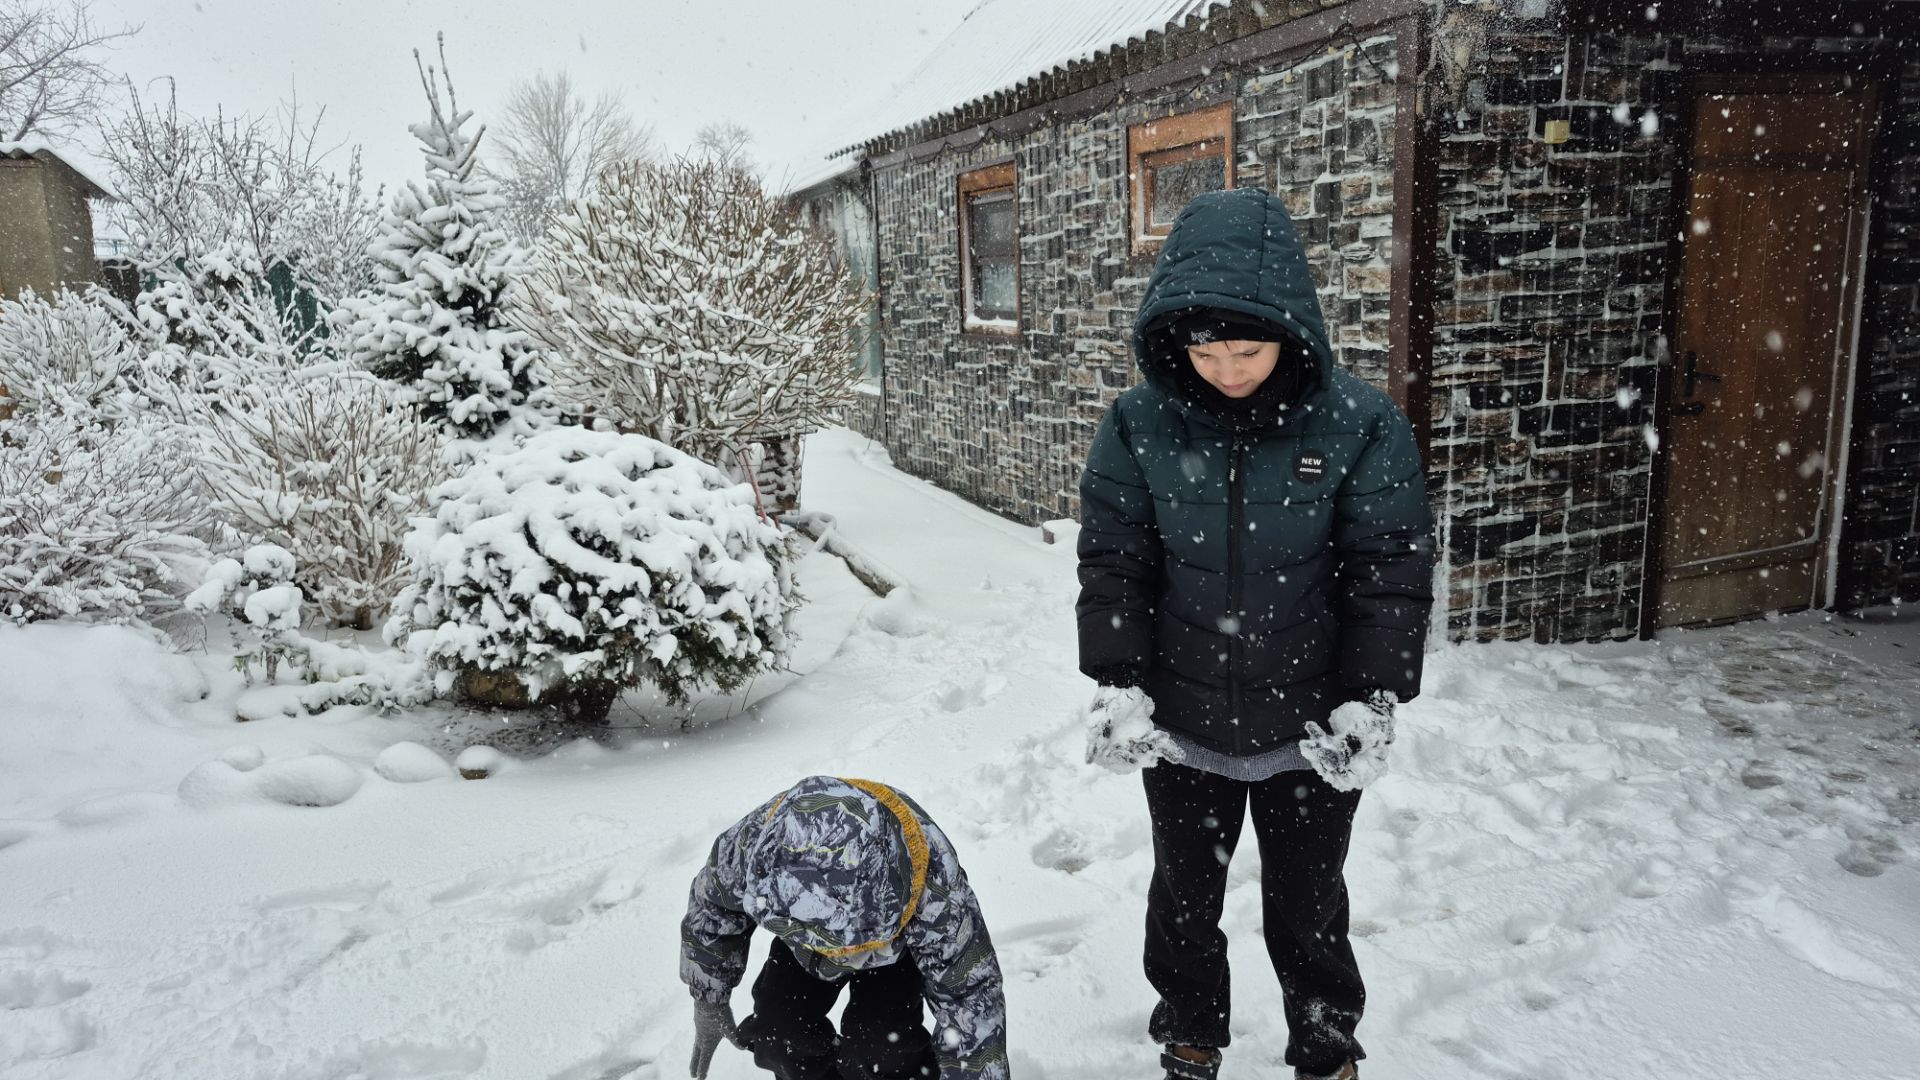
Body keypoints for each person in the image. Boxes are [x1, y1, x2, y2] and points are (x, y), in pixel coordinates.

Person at [1075, 187, 1434, 1080]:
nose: (1227, 369)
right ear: (1176, 339)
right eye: (1205, 350)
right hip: (1184, 721)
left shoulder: (1359, 425)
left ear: (1290, 332)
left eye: (1247, 347)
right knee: (1184, 900)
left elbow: (1388, 571)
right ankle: (1190, 1035)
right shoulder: (1139, 424)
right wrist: (1119, 681)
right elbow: (1115, 559)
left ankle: (1325, 1045)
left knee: (1310, 904)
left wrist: (1369, 696)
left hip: (1309, 724)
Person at [680, 775, 1009, 1080]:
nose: (841, 957)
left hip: (893, 950)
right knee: (778, 1035)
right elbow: (713, 904)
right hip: (803, 942)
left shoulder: (937, 892)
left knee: (882, 1047)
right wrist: (709, 996)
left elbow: (970, 1000)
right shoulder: (753, 846)